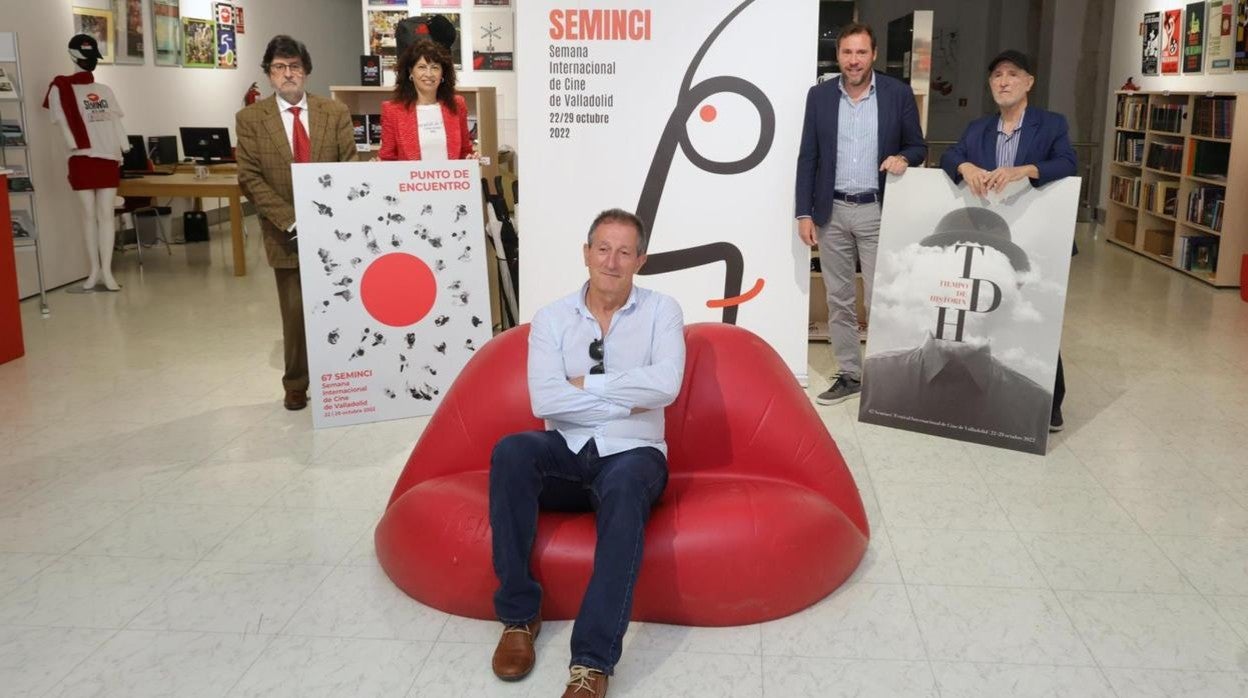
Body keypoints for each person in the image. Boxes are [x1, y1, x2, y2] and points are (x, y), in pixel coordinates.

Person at [488, 209, 684, 698]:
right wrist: (625, 392)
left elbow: (666, 386)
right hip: (567, 449)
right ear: (585, 253)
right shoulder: (553, 318)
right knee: (512, 452)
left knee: (621, 486)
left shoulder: (663, 310)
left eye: (624, 252)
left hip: (635, 452)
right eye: (602, 249)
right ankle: (517, 618)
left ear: (640, 260)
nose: (611, 262)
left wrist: (587, 384)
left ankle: (591, 662)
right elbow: (545, 400)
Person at [938, 49, 1077, 431]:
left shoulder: (1050, 125)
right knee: (985, 311)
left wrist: (1026, 170)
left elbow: (1068, 163)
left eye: (1012, 74)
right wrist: (964, 165)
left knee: (1037, 317)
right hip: (989, 240)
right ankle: (984, 388)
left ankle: (1049, 403)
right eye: (996, 75)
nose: (1003, 81)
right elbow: (949, 157)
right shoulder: (977, 129)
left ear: (1029, 82)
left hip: (1037, 238)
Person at [795, 22, 927, 406]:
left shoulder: (897, 94)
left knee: (882, 298)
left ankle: (888, 379)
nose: (854, 61)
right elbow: (809, 156)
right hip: (830, 211)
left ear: (873, 55)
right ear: (838, 56)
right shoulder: (818, 96)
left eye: (861, 53)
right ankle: (851, 373)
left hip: (876, 210)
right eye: (847, 53)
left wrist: (904, 158)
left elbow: (917, 145)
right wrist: (804, 212)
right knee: (838, 299)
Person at [235, 35, 358, 411]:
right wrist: (291, 220)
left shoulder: (333, 112)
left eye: (295, 67)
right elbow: (250, 178)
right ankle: (296, 383)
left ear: (306, 71)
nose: (288, 74)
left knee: (342, 306)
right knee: (295, 312)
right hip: (284, 231)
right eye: (279, 67)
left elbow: (349, 165)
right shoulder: (251, 119)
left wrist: (330, 214)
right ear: (269, 74)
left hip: (333, 228)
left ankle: (342, 380)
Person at [42, 34, 130, 292]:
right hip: (81, 157)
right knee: (88, 216)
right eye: (85, 57)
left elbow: (116, 122)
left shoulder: (104, 91)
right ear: (72, 55)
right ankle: (93, 270)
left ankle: (107, 271)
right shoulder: (61, 88)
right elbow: (62, 123)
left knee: (106, 215)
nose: (90, 63)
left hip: (108, 157)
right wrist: (74, 145)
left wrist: (123, 148)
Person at [378, 39, 475, 162]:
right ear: (410, 72)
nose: (429, 74)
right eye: (422, 67)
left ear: (442, 73)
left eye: (435, 67)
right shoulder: (392, 110)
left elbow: (465, 151)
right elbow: (387, 158)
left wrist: (471, 158)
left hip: (449, 180)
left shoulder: (457, 105)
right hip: (410, 180)